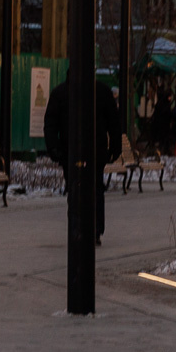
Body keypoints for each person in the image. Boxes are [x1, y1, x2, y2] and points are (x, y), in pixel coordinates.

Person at [42, 75, 122, 243]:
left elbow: (50, 124)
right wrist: (114, 147)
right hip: (95, 151)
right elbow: (113, 122)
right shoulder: (101, 91)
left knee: (75, 190)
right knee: (95, 190)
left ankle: (77, 228)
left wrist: (54, 149)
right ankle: (95, 229)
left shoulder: (60, 92)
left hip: (70, 152)